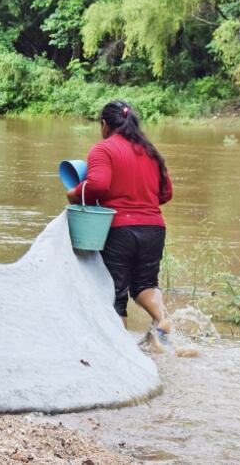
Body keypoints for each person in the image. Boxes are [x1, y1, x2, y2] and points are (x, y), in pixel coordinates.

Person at [67, 100, 173, 344]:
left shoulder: (103, 150)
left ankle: (118, 350)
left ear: (105, 125)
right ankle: (162, 317)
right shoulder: (150, 150)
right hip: (154, 228)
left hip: (119, 230)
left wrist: (74, 193)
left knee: (114, 294)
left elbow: (98, 185)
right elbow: (166, 193)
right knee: (145, 284)